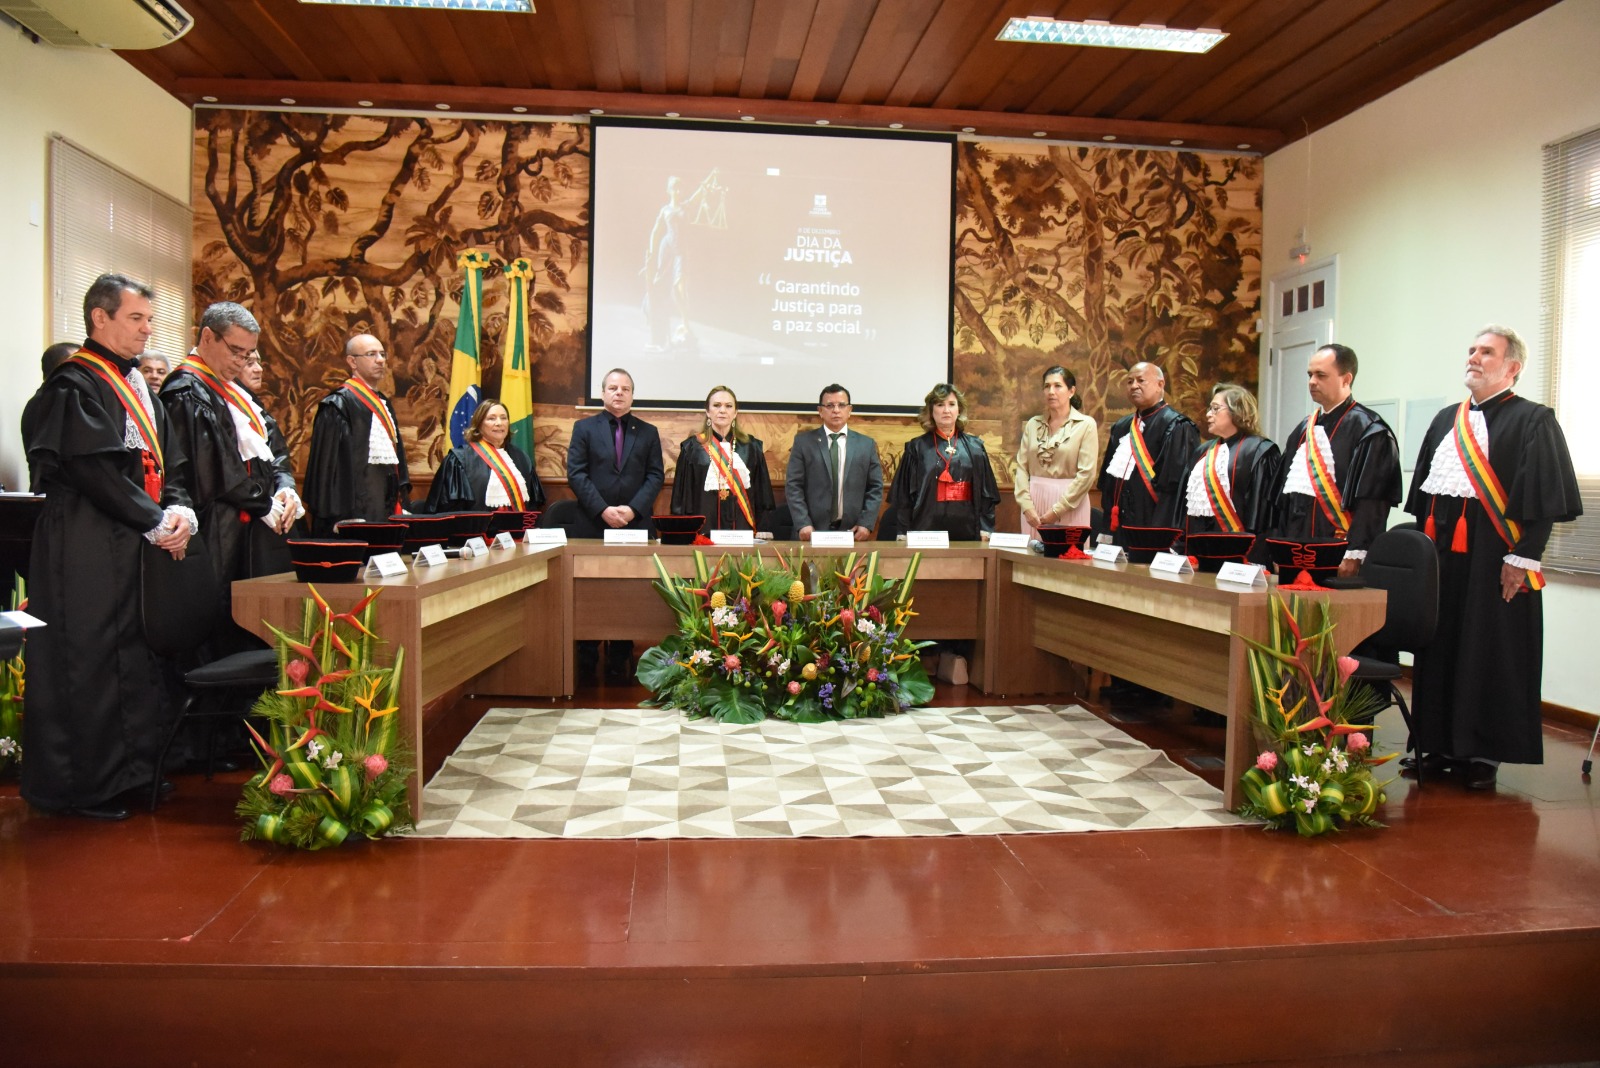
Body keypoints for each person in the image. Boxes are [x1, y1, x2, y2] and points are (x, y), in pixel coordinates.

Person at [18, 273, 197, 821]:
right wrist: (153, 518)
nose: (147, 330)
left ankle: (132, 773)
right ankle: (82, 787)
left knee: (132, 653)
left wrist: (179, 508)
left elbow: (165, 463)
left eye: (149, 319)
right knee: (88, 659)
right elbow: (92, 468)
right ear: (100, 318)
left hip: (130, 539)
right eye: (135, 318)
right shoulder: (74, 384)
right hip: (84, 541)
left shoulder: (136, 384)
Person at [1404, 326, 1581, 790]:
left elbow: (1544, 500)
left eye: (1487, 352)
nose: (1475, 357)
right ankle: (1436, 744)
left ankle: (1482, 753)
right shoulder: (1446, 420)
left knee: (1488, 652)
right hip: (1443, 558)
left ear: (1512, 367)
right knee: (1439, 646)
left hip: (1495, 558)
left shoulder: (1533, 420)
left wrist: (1523, 558)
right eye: (1472, 350)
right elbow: (1424, 499)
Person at [159, 303, 301, 648]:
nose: (242, 362)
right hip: (217, 527)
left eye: (249, 353)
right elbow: (208, 465)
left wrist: (285, 487)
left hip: (252, 524)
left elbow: (274, 450)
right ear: (208, 337)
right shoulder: (186, 389)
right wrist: (259, 501)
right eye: (236, 351)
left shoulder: (237, 393)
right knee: (221, 619)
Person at [1270, 344, 1402, 577]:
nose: (1312, 382)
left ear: (1346, 379)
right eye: (1310, 375)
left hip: (1338, 551)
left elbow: (1372, 504)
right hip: (1296, 548)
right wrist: (1280, 547)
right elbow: (1285, 498)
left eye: (1321, 375)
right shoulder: (1302, 429)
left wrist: (1355, 552)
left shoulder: (1370, 430)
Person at [566, 367, 664, 680]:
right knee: (592, 591)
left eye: (625, 388)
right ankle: (587, 653)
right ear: (603, 393)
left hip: (635, 527)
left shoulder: (648, 432)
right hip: (593, 525)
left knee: (628, 591)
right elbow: (576, 474)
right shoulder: (584, 429)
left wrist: (633, 510)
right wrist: (603, 509)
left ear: (632, 394)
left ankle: (621, 656)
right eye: (612, 387)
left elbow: (655, 476)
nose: (618, 393)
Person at [303, 333, 411, 535]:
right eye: (371, 354)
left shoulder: (384, 403)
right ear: (352, 361)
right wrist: (341, 515)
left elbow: (397, 460)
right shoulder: (337, 405)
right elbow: (328, 468)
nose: (380, 360)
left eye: (382, 354)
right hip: (352, 513)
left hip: (383, 507)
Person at [1177, 384, 1281, 559]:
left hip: (1241, 553)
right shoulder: (1202, 451)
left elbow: (1264, 514)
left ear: (1238, 411)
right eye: (1210, 408)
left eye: (1215, 408)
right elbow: (1184, 505)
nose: (1208, 414)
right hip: (1199, 550)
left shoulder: (1260, 451)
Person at [1097, 361, 1199, 536]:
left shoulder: (1177, 426)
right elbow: (1109, 482)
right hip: (1118, 522)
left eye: (1140, 380)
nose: (1134, 386)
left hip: (1154, 523)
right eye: (1130, 382)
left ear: (1160, 384)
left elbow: (1175, 488)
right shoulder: (1121, 426)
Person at [888, 382, 1000, 541]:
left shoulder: (975, 448)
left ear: (959, 409)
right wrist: (903, 532)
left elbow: (986, 493)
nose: (946, 410)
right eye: (940, 405)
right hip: (925, 531)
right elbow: (904, 495)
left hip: (968, 531)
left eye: (951, 404)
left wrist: (986, 528)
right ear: (931, 411)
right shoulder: (916, 448)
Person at [786, 383, 884, 541]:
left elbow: (875, 487)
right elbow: (793, 486)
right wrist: (803, 523)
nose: (836, 410)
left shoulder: (866, 445)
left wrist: (866, 523)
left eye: (841, 405)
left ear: (850, 410)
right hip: (811, 532)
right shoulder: (803, 443)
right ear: (820, 411)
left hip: (853, 532)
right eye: (830, 405)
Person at [671, 385, 774, 531]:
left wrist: (764, 529)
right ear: (707, 411)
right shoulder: (692, 448)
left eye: (728, 406)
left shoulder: (752, 447)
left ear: (735, 412)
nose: (722, 410)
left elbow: (763, 495)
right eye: (717, 405)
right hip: (704, 531)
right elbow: (681, 499)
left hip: (743, 530)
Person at [1014, 365, 1098, 538]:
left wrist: (1057, 510)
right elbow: (1021, 467)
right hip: (1033, 504)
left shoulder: (1086, 425)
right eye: (1047, 386)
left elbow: (1087, 474)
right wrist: (1026, 506)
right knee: (1032, 561)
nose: (1051, 391)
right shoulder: (1033, 424)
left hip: (1070, 502)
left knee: (1068, 559)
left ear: (1071, 391)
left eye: (1057, 386)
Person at [425, 398, 546, 514]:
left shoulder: (521, 458)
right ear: (479, 424)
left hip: (517, 532)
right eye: (491, 418)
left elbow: (533, 505)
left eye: (503, 418)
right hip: (476, 532)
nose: (499, 423)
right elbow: (450, 508)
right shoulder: (459, 459)